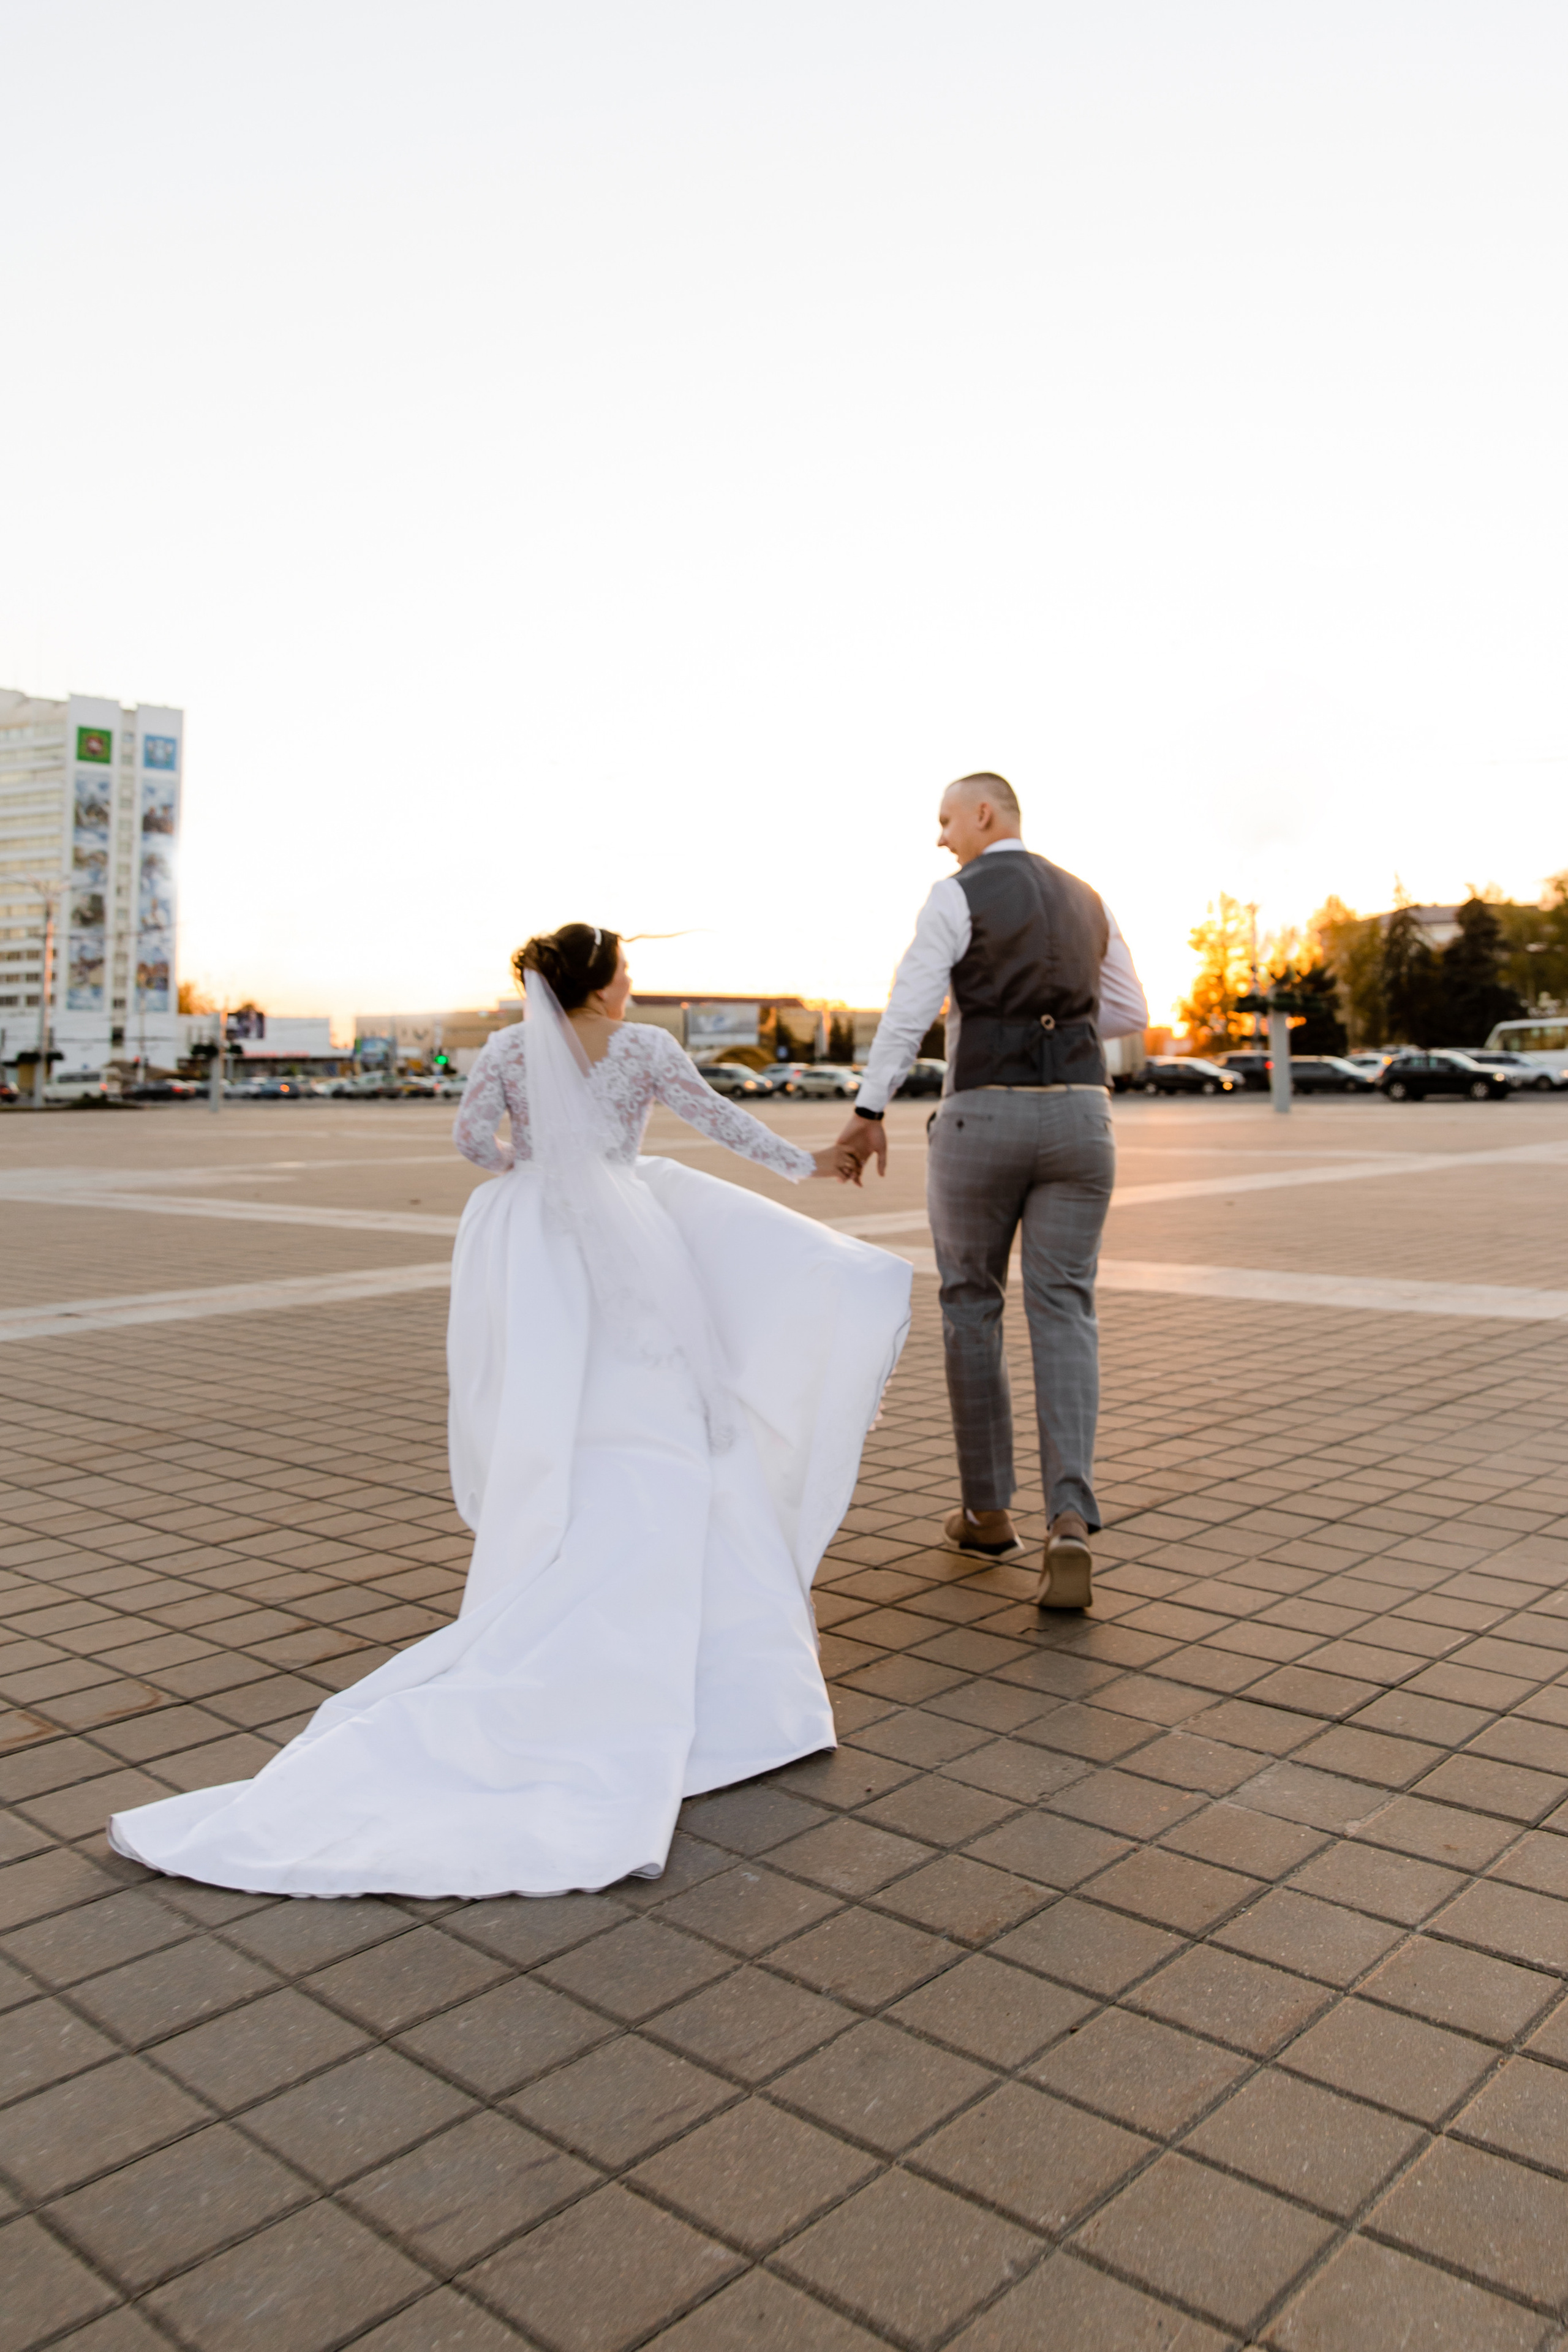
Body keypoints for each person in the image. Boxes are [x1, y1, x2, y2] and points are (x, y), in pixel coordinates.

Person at [110, 925, 911, 1898]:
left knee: (555, 1406)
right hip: (633, 1231)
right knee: (658, 1413)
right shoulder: (648, 1050)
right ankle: (705, 1644)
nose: (633, 984)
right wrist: (810, 1164)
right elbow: (722, 1123)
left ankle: (549, 1555)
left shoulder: (505, 1049)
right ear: (606, 984)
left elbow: (466, 1140)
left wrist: (526, 1178)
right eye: (628, 971)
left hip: (539, 1238)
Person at [836, 774, 1147, 1610]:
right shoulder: (1088, 898)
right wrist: (1058, 1019)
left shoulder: (957, 895)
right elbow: (1127, 1010)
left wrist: (869, 1110)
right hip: (1084, 1118)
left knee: (972, 1303)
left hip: (983, 1118)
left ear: (984, 813)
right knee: (1066, 1308)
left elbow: (907, 1011)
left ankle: (986, 1511)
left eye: (946, 820)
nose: (942, 838)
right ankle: (1072, 1521)